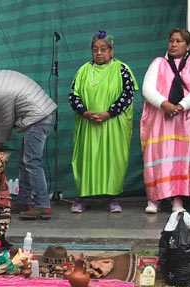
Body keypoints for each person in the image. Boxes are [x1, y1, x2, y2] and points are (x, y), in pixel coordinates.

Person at [0, 66, 57, 220]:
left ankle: (43, 205)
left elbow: (7, 121)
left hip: (39, 119)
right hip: (42, 116)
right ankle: (24, 201)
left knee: (31, 162)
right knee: (24, 161)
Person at [68, 30, 138, 214]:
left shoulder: (122, 69)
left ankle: (112, 198)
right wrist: (84, 112)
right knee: (86, 160)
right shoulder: (83, 70)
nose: (99, 53)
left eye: (103, 49)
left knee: (112, 160)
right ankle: (80, 198)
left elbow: (127, 95)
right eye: (95, 49)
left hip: (112, 125)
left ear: (111, 51)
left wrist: (109, 113)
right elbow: (73, 96)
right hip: (88, 126)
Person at [141, 28, 190, 214]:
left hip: (185, 121)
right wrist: (165, 104)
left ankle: (177, 200)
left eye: (179, 41)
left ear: (188, 45)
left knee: (180, 161)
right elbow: (147, 88)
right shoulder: (158, 63)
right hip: (160, 119)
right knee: (158, 158)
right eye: (171, 40)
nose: (174, 44)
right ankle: (154, 199)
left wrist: (180, 106)